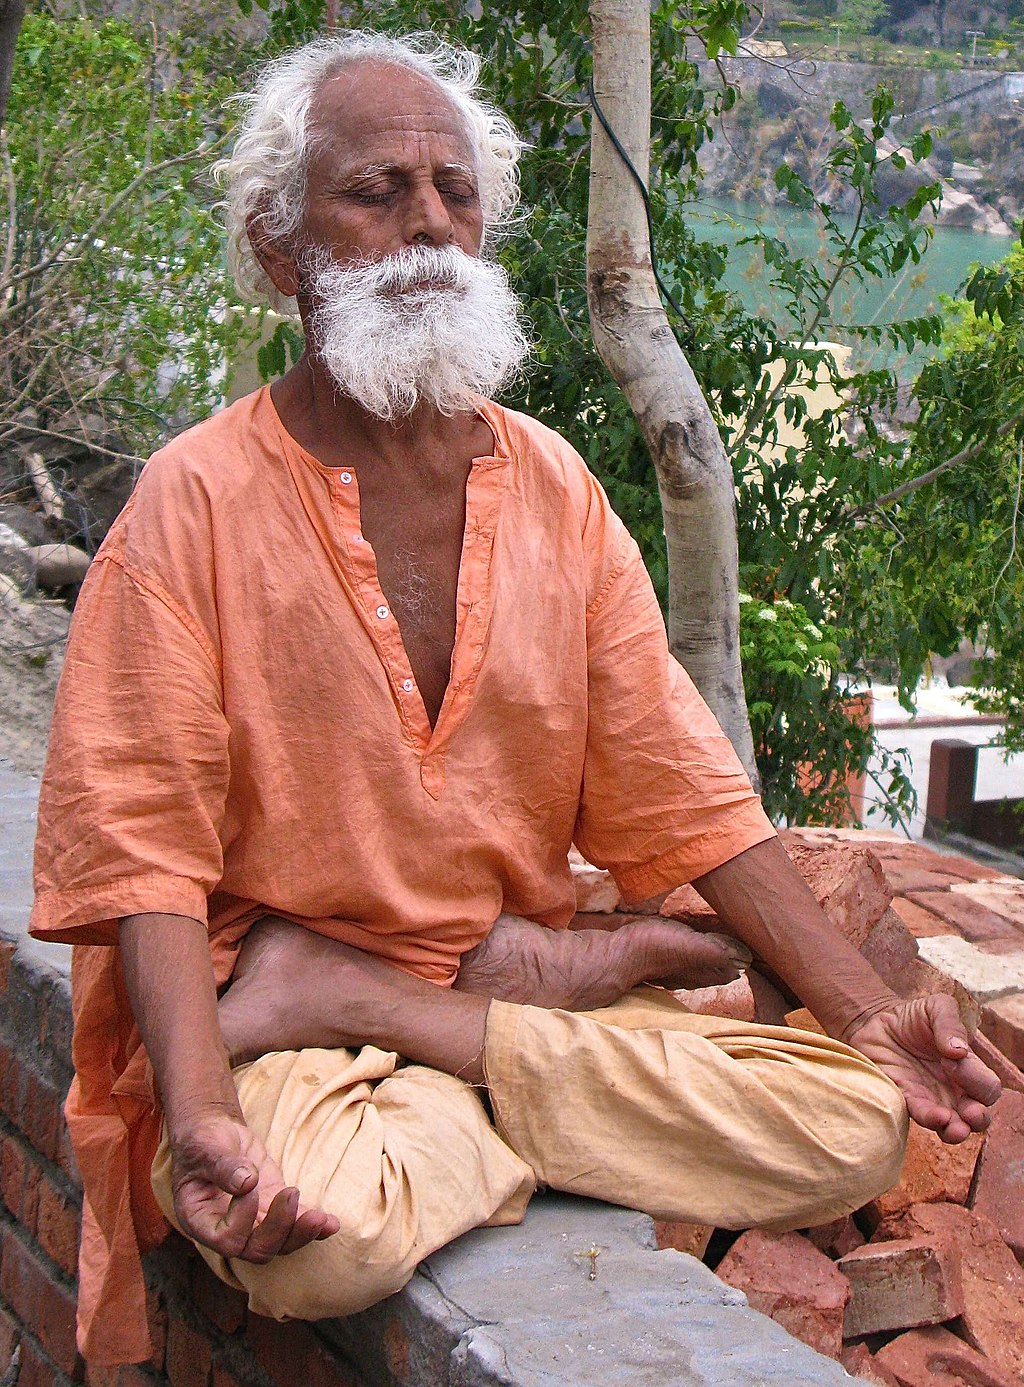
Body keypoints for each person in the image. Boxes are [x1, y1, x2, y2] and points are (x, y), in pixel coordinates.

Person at [30, 31, 1000, 1368]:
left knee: (854, 1123)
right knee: (328, 1243)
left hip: (393, 1010)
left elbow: (687, 794)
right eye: (378, 191)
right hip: (280, 1037)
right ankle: (461, 1032)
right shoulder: (193, 505)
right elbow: (140, 849)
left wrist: (865, 1010)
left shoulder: (552, 487)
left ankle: (393, 1009)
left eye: (456, 189)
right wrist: (198, 1111)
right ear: (279, 253)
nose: (431, 219)